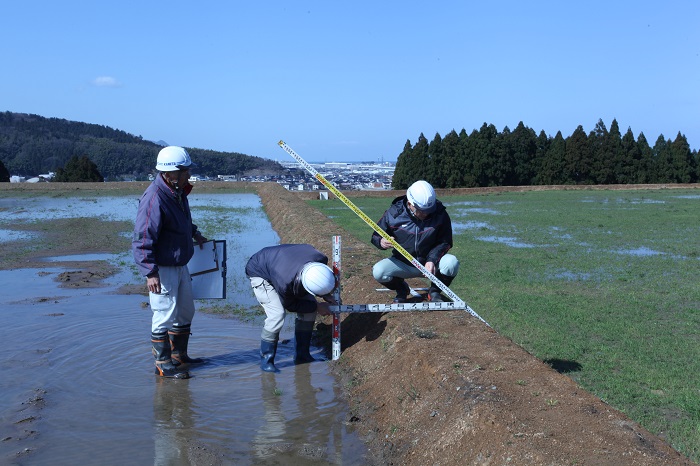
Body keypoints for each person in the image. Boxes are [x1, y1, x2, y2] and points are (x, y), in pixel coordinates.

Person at [133, 146, 208, 379]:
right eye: (185, 171)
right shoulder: (154, 198)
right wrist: (150, 272)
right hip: (163, 268)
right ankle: (163, 362)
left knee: (186, 310)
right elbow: (143, 237)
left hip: (180, 264)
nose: (188, 175)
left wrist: (194, 233)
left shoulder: (177, 192)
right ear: (170, 173)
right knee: (164, 313)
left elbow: (181, 222)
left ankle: (179, 356)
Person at [245, 244, 337, 373]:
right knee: (277, 315)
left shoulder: (321, 259)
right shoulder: (285, 283)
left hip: (285, 264)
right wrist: (318, 306)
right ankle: (267, 362)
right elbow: (290, 305)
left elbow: (321, 279)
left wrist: (326, 294)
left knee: (309, 310)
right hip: (260, 269)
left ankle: (302, 356)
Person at [371, 180, 459, 303]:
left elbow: (445, 241)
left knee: (452, 263)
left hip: (431, 264)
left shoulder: (440, 214)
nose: (426, 214)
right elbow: (375, 236)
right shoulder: (393, 213)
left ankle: (434, 292)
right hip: (403, 263)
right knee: (379, 272)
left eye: (429, 210)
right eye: (422, 210)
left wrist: (432, 259)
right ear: (410, 204)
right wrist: (381, 242)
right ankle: (402, 289)